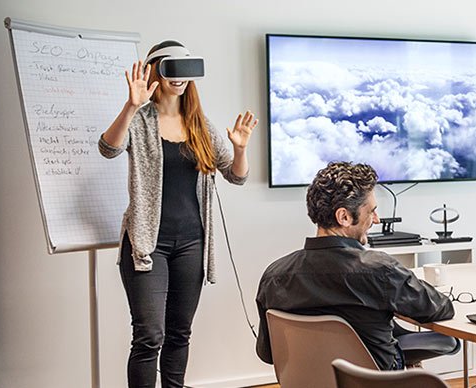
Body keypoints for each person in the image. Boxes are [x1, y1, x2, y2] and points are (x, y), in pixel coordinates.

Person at [98, 40, 257, 387]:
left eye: (187, 72)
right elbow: (108, 148)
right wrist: (130, 105)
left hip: (191, 243)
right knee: (149, 336)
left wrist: (240, 149)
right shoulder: (140, 120)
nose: (181, 79)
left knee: (179, 334)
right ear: (158, 71)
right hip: (146, 244)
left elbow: (236, 175)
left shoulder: (199, 123)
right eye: (174, 70)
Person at [254, 162, 456, 371]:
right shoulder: (381, 270)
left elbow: (268, 354)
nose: (376, 220)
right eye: (372, 211)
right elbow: (440, 308)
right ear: (344, 217)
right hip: (378, 384)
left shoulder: (273, 276)